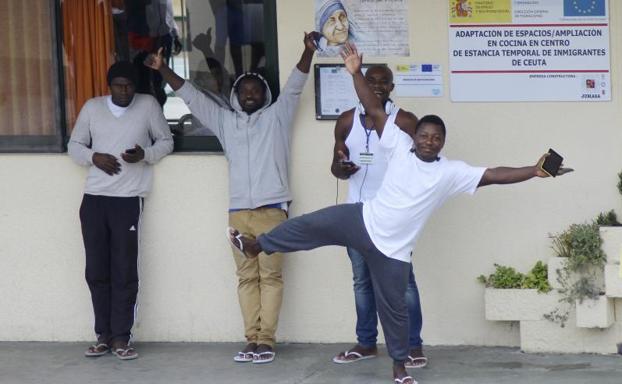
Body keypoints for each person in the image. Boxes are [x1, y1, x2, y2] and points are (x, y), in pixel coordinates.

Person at [227, 42, 572, 384]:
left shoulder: (450, 173)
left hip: (394, 250)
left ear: (442, 143)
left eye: (436, 138)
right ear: (414, 137)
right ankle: (258, 245)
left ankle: (400, 369)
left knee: (395, 309)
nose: (428, 141)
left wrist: (534, 170)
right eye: (424, 136)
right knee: (313, 224)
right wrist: (354, 72)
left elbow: (495, 175)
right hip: (363, 221)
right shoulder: (398, 146)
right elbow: (373, 108)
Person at [143, 32, 319, 364]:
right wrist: (163, 69)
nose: (250, 95)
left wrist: (307, 50)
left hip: (272, 211)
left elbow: (296, 84)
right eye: (244, 90)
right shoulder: (225, 122)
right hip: (238, 213)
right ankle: (251, 340)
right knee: (246, 278)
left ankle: (266, 340)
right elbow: (193, 98)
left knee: (270, 276)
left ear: (265, 95)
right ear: (236, 95)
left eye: (256, 90)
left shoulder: (277, 118)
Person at [68, 61, 174, 360]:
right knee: (96, 269)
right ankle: (102, 335)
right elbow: (74, 145)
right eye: (118, 85)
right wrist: (94, 156)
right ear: (109, 85)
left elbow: (166, 141)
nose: (124, 90)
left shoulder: (148, 105)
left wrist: (145, 155)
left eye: (129, 85)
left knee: (125, 269)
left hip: (128, 199)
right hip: (94, 198)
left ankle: (121, 338)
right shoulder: (92, 107)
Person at [330, 64, 427, 368]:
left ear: (392, 87)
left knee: (403, 284)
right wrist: (341, 167)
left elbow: (422, 165)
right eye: (370, 81)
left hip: (394, 217)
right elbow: (335, 167)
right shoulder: (346, 121)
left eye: (383, 82)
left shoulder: (407, 121)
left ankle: (414, 346)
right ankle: (366, 342)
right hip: (357, 215)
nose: (376, 87)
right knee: (362, 282)